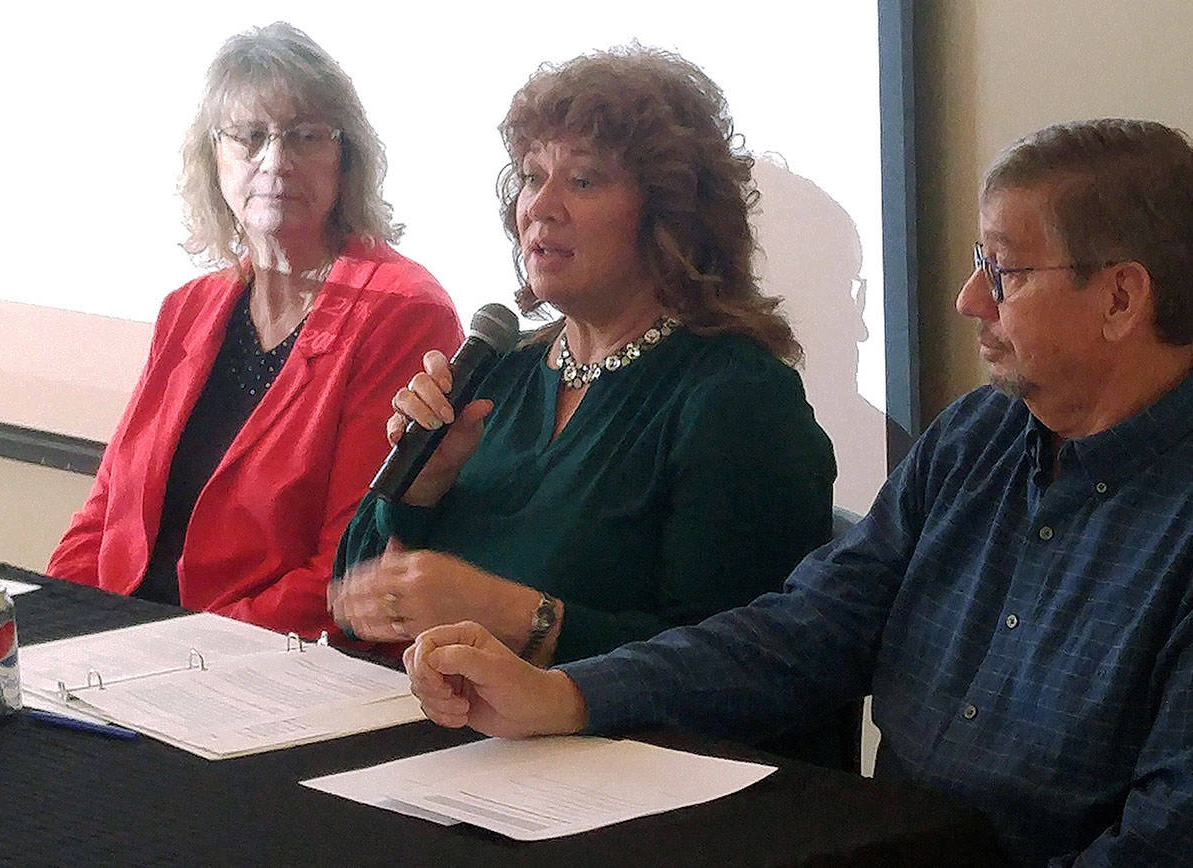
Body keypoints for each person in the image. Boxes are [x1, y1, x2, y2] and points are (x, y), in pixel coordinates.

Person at [406, 118, 1193, 865]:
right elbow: (812, 628)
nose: (969, 300)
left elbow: (1166, 839)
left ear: (1121, 298)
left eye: (1004, 271)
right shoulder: (975, 438)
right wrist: (566, 694)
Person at [329, 47, 835, 667]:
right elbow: (354, 594)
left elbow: (738, 668)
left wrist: (513, 617)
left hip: (629, 759)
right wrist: (422, 491)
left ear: (668, 212)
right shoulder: (502, 372)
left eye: (583, 179)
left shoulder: (738, 400)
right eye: (530, 176)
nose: (540, 206)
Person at [46, 23, 462, 639]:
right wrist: (54, 617)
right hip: (129, 646)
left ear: (345, 159)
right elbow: (105, 512)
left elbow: (350, 564)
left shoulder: (401, 313)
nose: (275, 161)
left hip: (263, 667)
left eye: (304, 136)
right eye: (249, 136)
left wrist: (178, 650)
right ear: (213, 157)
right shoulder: (187, 307)